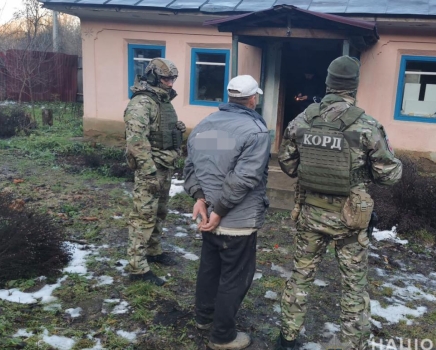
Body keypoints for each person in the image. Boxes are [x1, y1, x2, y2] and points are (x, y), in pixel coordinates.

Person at [275, 56, 403, 350]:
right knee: (353, 285)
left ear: (328, 83)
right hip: (350, 219)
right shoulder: (368, 125)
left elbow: (287, 163)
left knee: (301, 275)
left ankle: (287, 338)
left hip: (310, 211)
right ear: (354, 86)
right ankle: (352, 343)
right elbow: (389, 176)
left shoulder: (303, 119)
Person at [184, 75, 271, 350]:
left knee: (210, 269)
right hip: (236, 221)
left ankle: (204, 317)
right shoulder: (256, 131)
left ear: (230, 96)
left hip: (209, 216)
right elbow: (244, 178)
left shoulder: (205, 125)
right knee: (235, 276)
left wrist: (200, 199)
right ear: (253, 98)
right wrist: (220, 211)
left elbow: (191, 167)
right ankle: (222, 336)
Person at [123, 58, 187, 286]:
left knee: (159, 212)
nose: (170, 83)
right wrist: (149, 172)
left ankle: (153, 251)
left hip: (165, 165)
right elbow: (136, 142)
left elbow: (160, 130)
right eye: (165, 79)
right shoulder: (142, 102)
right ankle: (137, 267)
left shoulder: (162, 100)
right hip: (151, 168)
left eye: (172, 79)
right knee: (143, 216)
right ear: (152, 77)